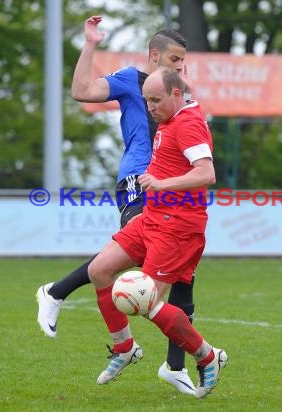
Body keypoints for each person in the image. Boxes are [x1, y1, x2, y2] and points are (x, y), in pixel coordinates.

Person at [36, 15, 197, 395]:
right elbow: (82, 91)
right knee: (139, 248)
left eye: (183, 61)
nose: (180, 67)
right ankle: (56, 291)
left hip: (174, 186)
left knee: (183, 274)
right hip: (139, 181)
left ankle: (174, 366)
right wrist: (90, 44)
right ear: (154, 55)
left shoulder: (181, 95)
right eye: (174, 59)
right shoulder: (130, 80)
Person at [88, 67, 227, 399]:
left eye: (155, 100)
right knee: (99, 271)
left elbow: (206, 173)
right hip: (151, 218)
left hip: (177, 227)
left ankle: (208, 356)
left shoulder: (189, 124)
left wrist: (163, 184)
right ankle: (124, 348)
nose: (150, 107)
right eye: (146, 100)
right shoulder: (174, 115)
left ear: (175, 96)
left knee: (146, 301)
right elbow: (181, 90)